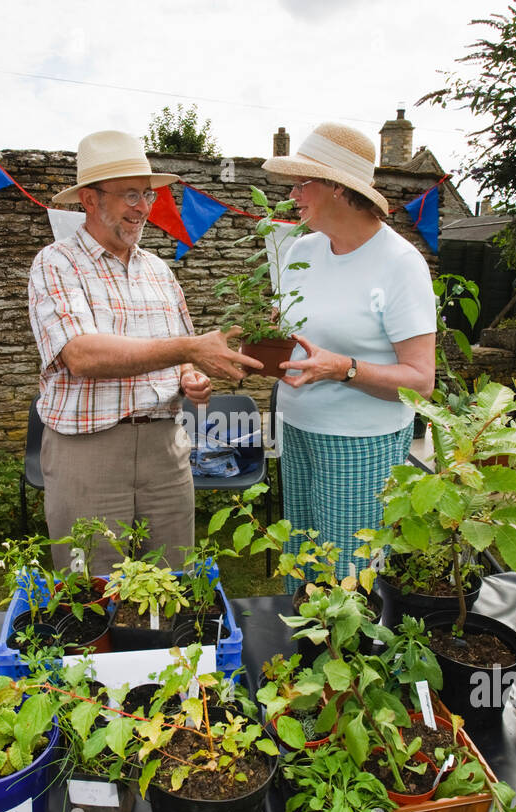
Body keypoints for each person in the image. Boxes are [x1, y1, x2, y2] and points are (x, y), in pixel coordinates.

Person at [27, 130, 260, 575]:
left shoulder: (158, 271)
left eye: (147, 195)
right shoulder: (56, 263)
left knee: (173, 582)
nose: (143, 207)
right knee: (91, 589)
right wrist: (189, 348)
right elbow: (82, 355)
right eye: (130, 194)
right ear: (90, 200)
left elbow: (182, 355)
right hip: (87, 449)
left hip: (165, 448)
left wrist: (193, 378)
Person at [261, 123, 437, 590]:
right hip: (296, 429)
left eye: (303, 183)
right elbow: (292, 329)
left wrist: (343, 369)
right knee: (300, 562)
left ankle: (351, 663)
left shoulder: (399, 264)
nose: (293, 194)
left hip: (359, 443)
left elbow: (421, 381)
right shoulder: (303, 250)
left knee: (347, 580)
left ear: (338, 188)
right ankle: (303, 660)